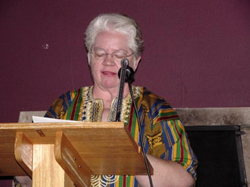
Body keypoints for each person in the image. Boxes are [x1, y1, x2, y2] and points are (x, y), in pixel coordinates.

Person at [44, 13, 198, 187]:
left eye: (119, 55)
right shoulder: (65, 106)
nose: (108, 61)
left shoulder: (154, 109)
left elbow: (185, 178)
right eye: (100, 53)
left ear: (135, 62)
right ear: (89, 58)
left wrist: (129, 154)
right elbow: (30, 173)